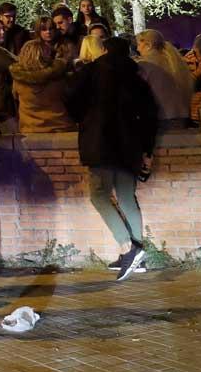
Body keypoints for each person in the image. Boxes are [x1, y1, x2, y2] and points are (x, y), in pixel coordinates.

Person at [65, 37, 159, 281]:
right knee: (127, 196)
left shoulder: (92, 71)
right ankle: (138, 255)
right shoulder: (135, 75)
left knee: (98, 195)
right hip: (130, 143)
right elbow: (150, 113)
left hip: (100, 140)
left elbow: (70, 97)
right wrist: (147, 149)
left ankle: (129, 248)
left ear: (104, 50)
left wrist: (83, 118)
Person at [10, 39, 76, 133]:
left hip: (30, 128)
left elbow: (15, 98)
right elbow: (69, 98)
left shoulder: (18, 80)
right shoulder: (57, 77)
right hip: (60, 126)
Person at [135, 29, 194, 129]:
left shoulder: (145, 65)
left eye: (139, 44)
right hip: (182, 115)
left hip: (164, 117)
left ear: (148, 45)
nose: (137, 49)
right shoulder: (173, 61)